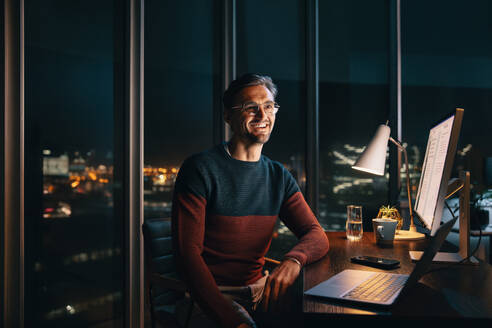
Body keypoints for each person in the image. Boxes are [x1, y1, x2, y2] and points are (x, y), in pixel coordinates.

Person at [172, 73, 329, 328]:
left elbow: (316, 234)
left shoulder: (278, 175)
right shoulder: (200, 169)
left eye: (268, 106)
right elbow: (187, 258)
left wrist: (293, 260)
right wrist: (233, 321)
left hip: (260, 293)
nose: (262, 115)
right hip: (209, 299)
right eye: (250, 108)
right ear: (228, 116)